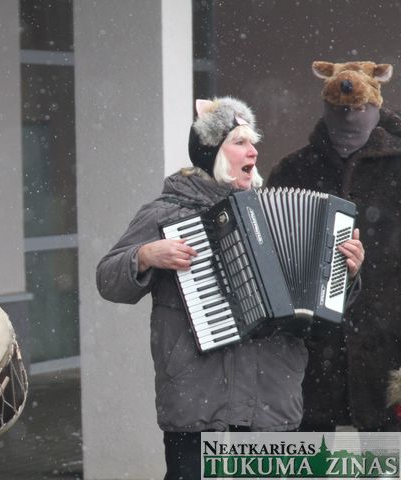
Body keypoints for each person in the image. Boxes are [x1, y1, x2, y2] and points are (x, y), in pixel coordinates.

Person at [96, 96, 364, 479]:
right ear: (211, 153)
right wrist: (143, 255)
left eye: (253, 142)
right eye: (240, 142)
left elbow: (324, 306)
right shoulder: (167, 213)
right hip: (196, 395)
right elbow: (108, 280)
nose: (253, 151)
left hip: (269, 396)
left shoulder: (272, 210)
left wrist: (346, 273)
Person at [268, 60, 400, 432]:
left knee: (385, 457)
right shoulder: (294, 170)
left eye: (359, 109)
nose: (349, 118)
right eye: (340, 110)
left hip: (389, 346)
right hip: (312, 351)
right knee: (312, 456)